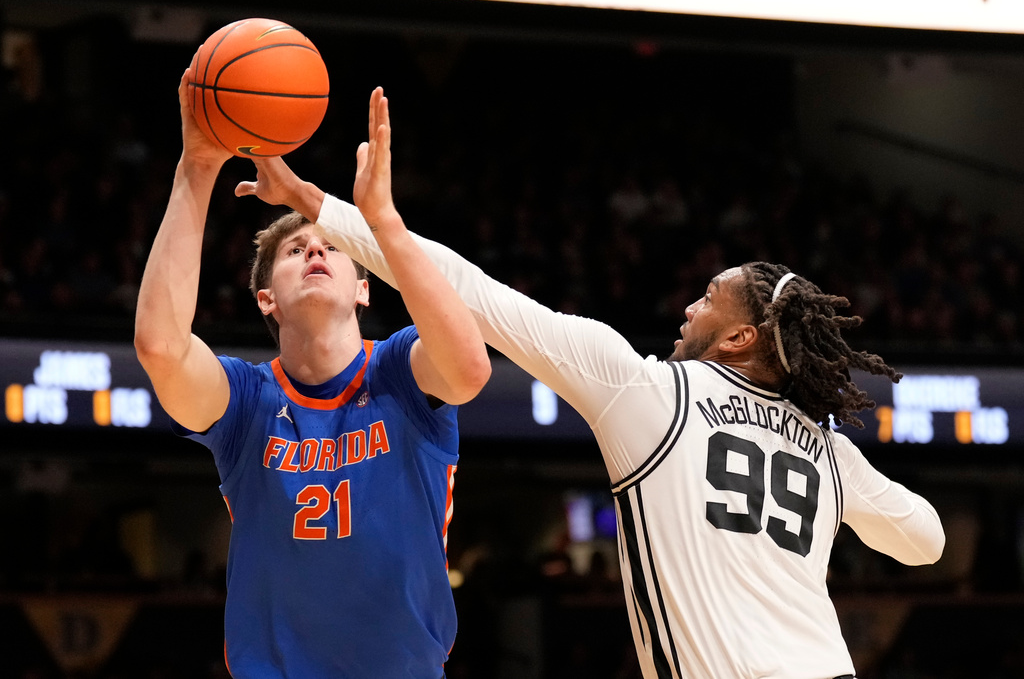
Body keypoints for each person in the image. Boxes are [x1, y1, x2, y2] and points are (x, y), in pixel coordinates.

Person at [239, 87, 945, 679]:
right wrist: (828, 456)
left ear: (739, 338)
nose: (689, 307)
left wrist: (324, 203)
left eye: (707, 298)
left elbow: (477, 295)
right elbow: (927, 541)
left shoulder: (647, 390)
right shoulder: (825, 451)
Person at [134, 73, 490, 678]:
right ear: (266, 298)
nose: (316, 252)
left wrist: (383, 225)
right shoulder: (247, 402)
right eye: (296, 251)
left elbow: (469, 368)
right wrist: (196, 168)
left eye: (330, 247)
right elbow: (161, 348)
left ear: (363, 288)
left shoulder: (400, 371)